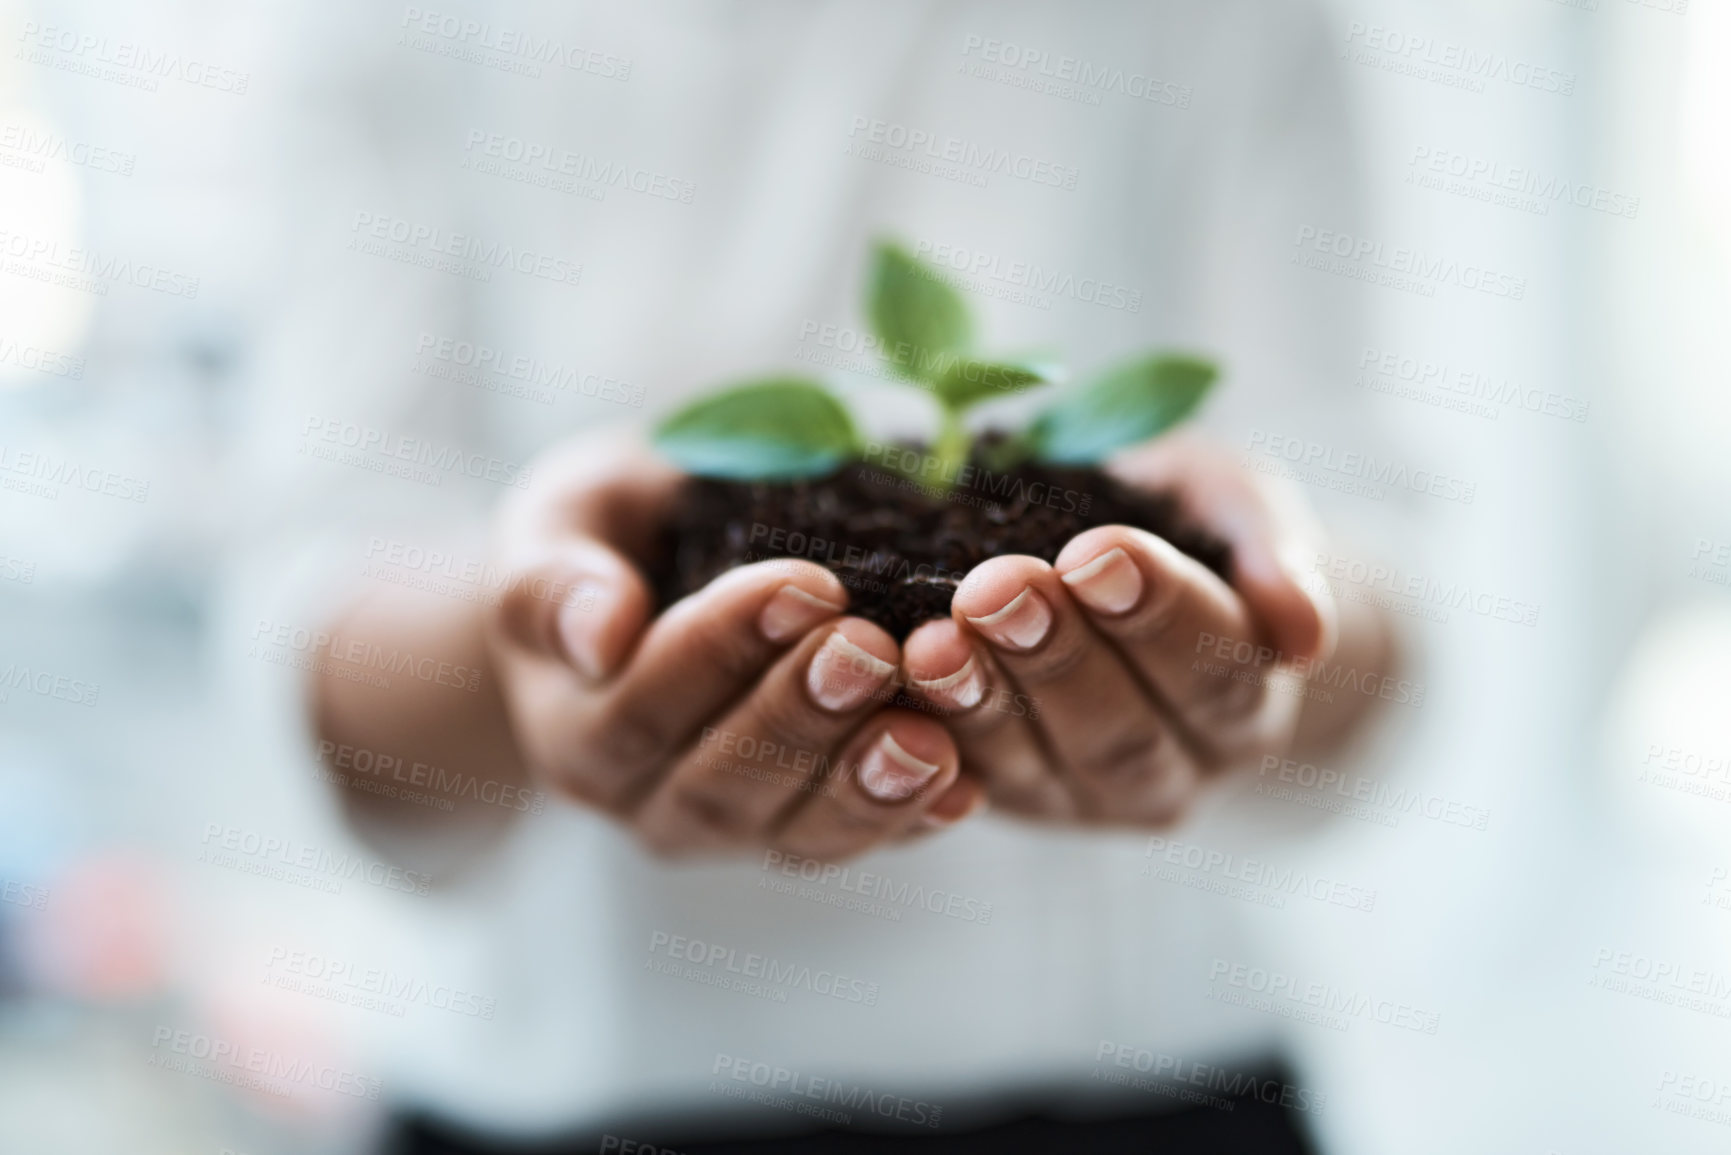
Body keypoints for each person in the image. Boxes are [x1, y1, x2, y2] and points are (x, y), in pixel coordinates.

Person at [239, 0, 1401, 1147]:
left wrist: (1262, 630)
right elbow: (324, 615)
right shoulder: (404, 27)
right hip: (585, 1089)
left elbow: (1373, 575)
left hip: (1156, 1083)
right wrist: (533, 631)